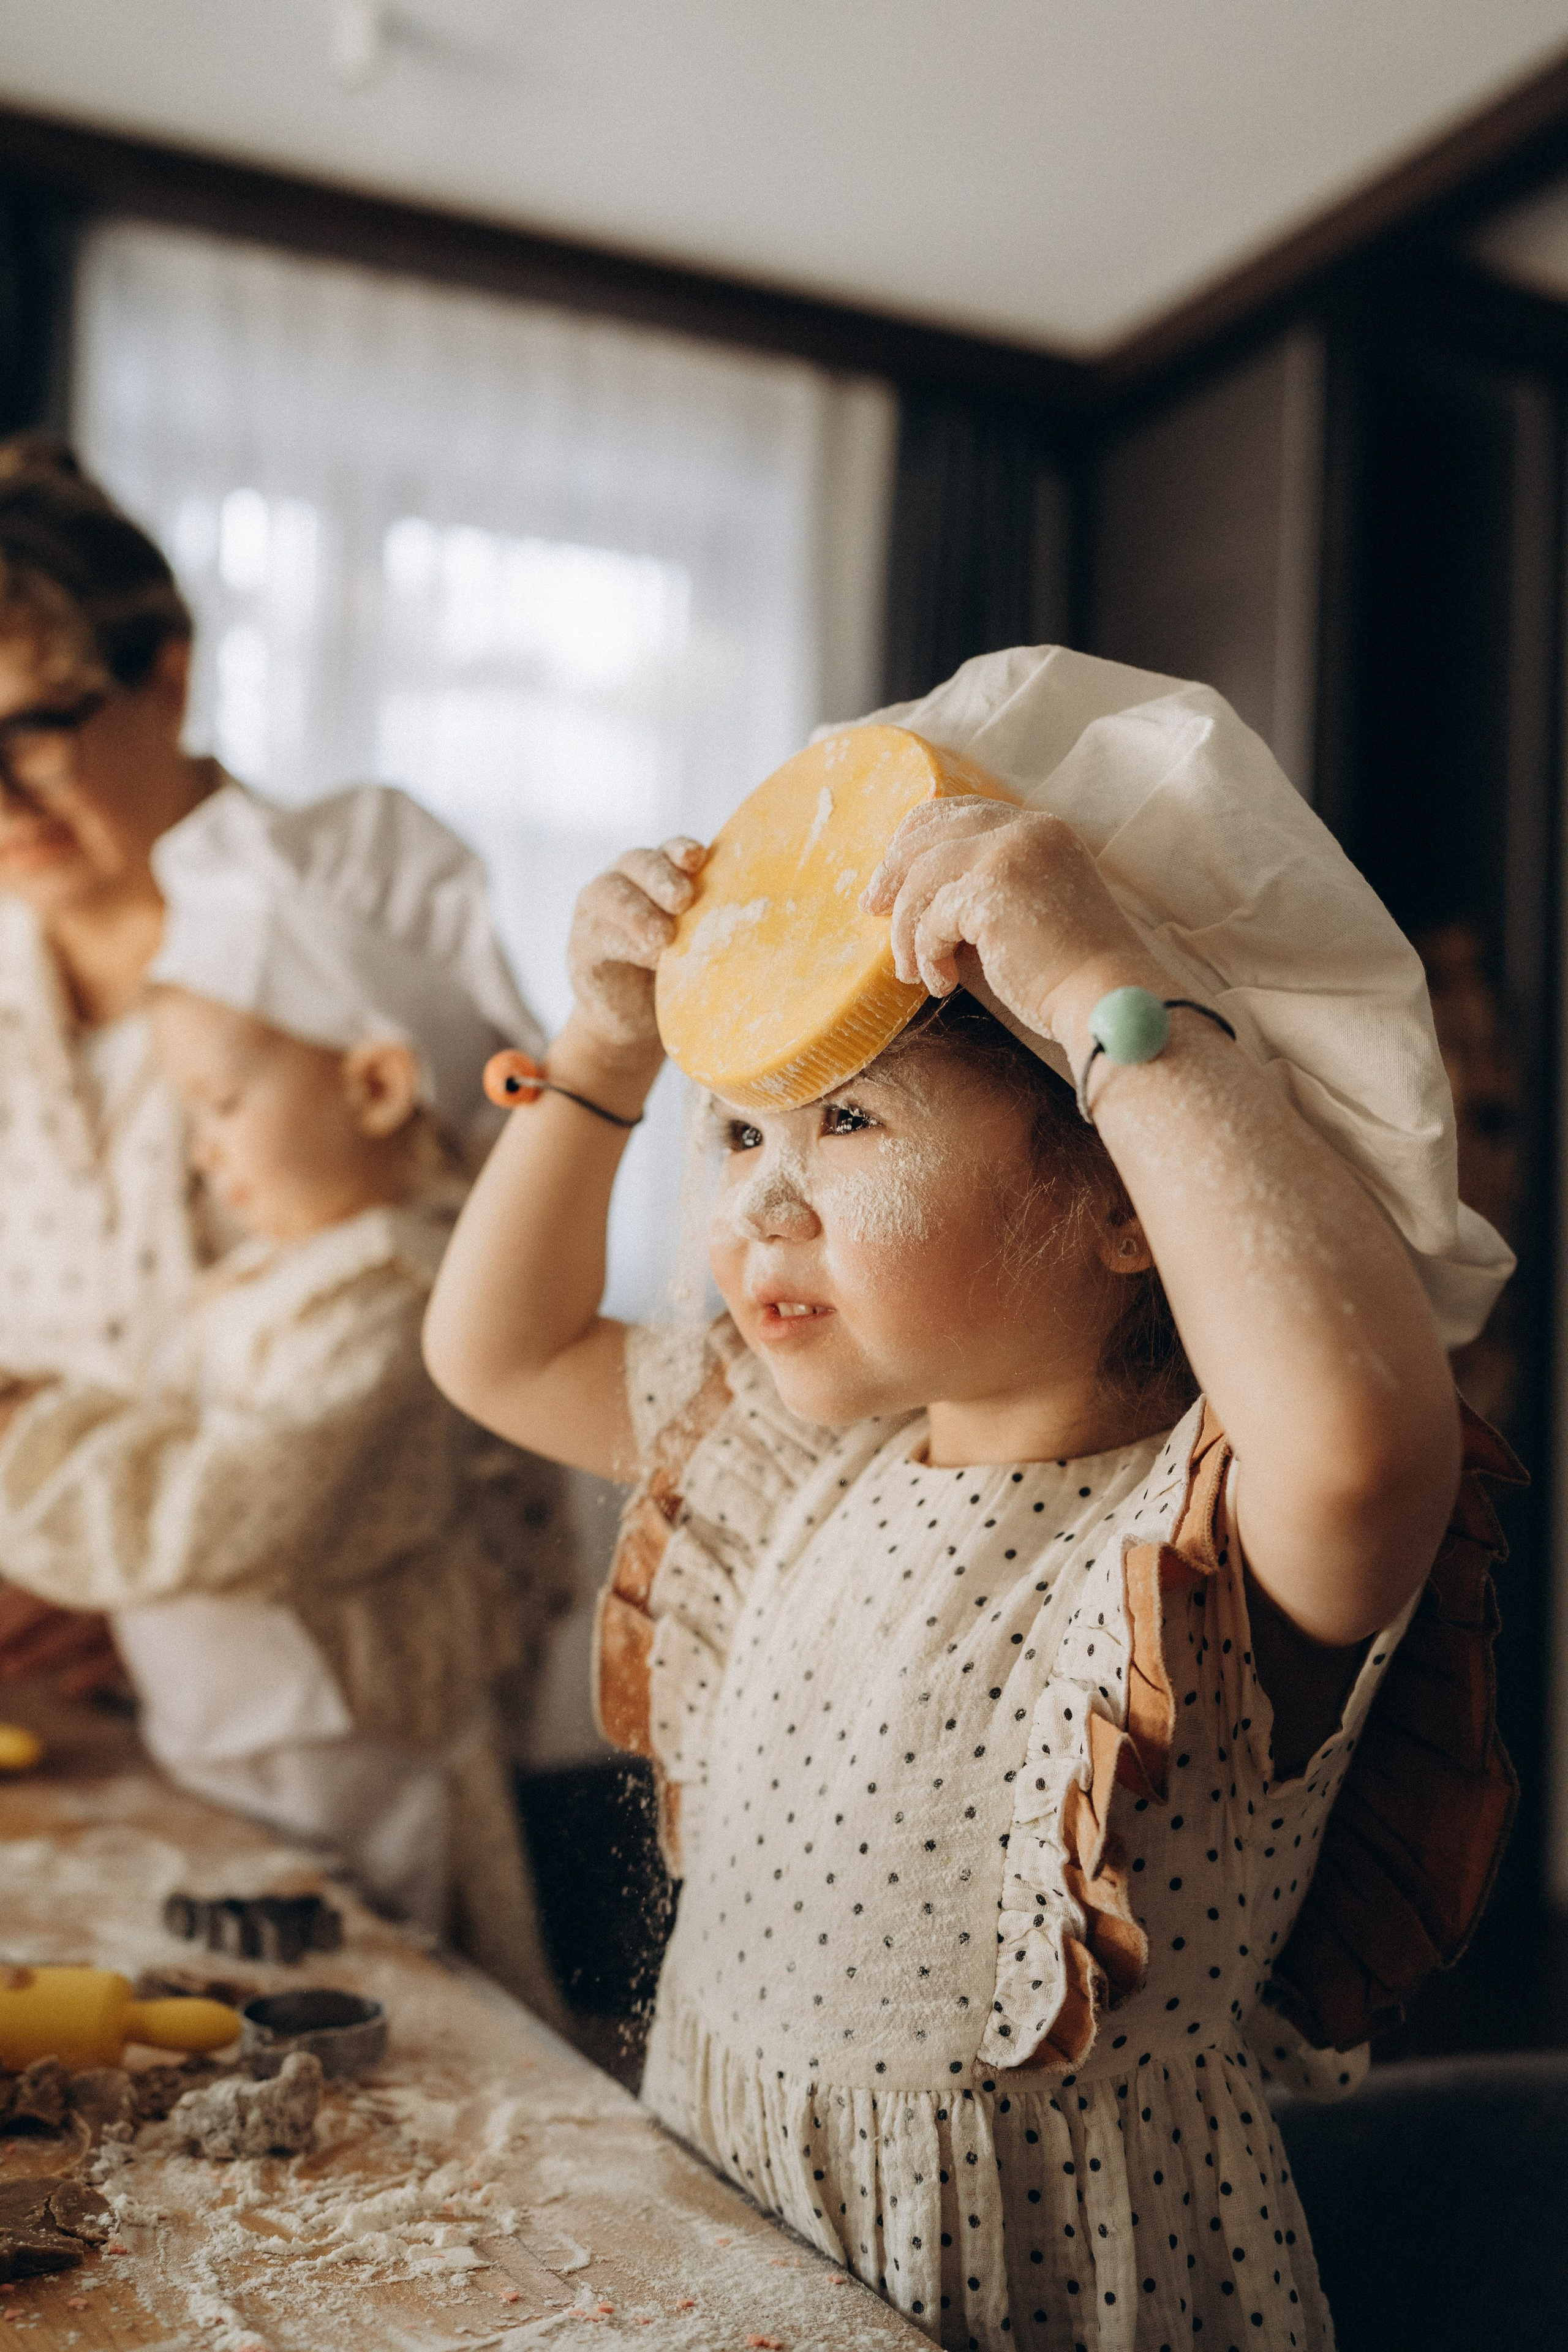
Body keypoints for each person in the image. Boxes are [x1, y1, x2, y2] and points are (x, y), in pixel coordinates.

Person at [423, 645, 1520, 2351]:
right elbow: (492, 1350)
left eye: (848, 1122)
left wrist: (1099, 987)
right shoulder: (800, 1455)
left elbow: (1368, 1439)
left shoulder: (1199, 1544)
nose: (756, 1209)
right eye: (740, 1136)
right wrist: (603, 1048)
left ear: (1129, 1195)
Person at [0, 782, 569, 2016]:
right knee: (228, 1978)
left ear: (374, 1087)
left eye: (219, 1105)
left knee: (367, 2003)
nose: (203, 1151)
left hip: (348, 1769)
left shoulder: (398, 1295)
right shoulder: (265, 1277)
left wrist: (23, 1434)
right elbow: (161, 1421)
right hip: (220, 1739)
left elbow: (231, 1504)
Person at [0, 434, 226, 1698]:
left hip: (292, 1692)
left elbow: (446, 1373)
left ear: (168, 681)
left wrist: (130, 1584)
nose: (1, 800)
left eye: (30, 731)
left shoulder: (350, 931)